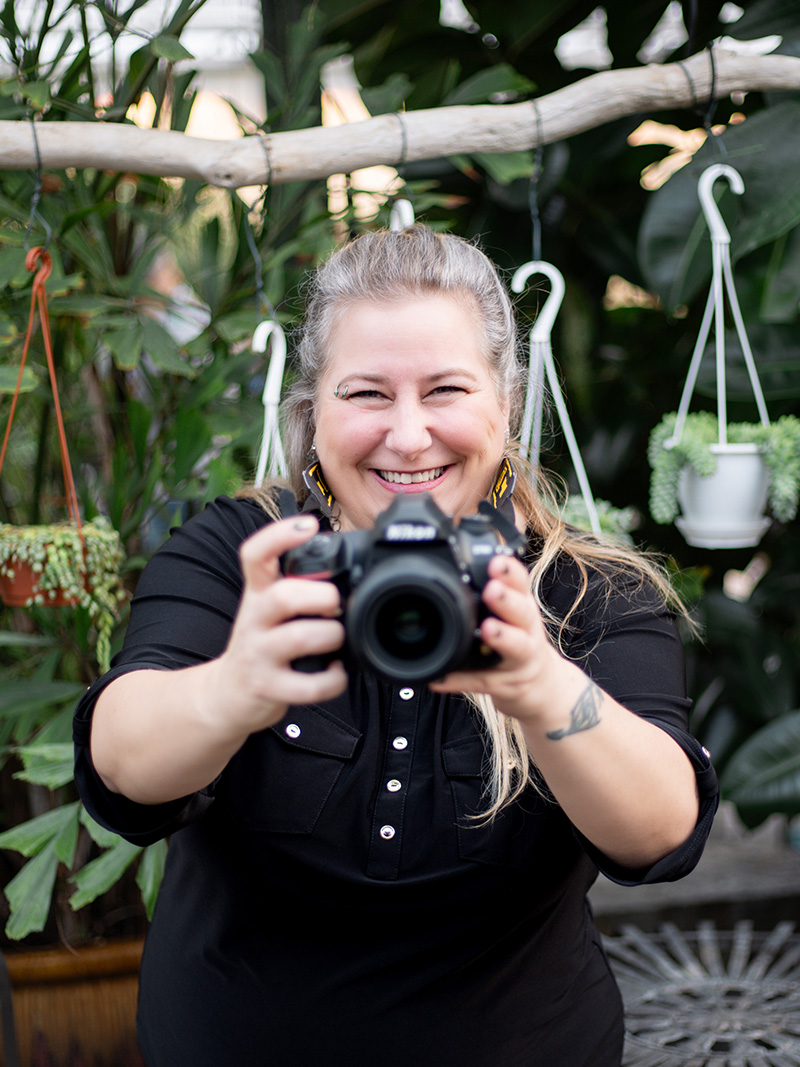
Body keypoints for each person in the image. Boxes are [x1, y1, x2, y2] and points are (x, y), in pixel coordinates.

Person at [74, 224, 718, 1067]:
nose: (408, 436)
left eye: (446, 389)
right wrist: (232, 688)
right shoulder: (245, 559)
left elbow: (661, 830)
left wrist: (539, 684)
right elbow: (120, 762)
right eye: (367, 394)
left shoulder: (587, 589)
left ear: (506, 403)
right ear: (312, 410)